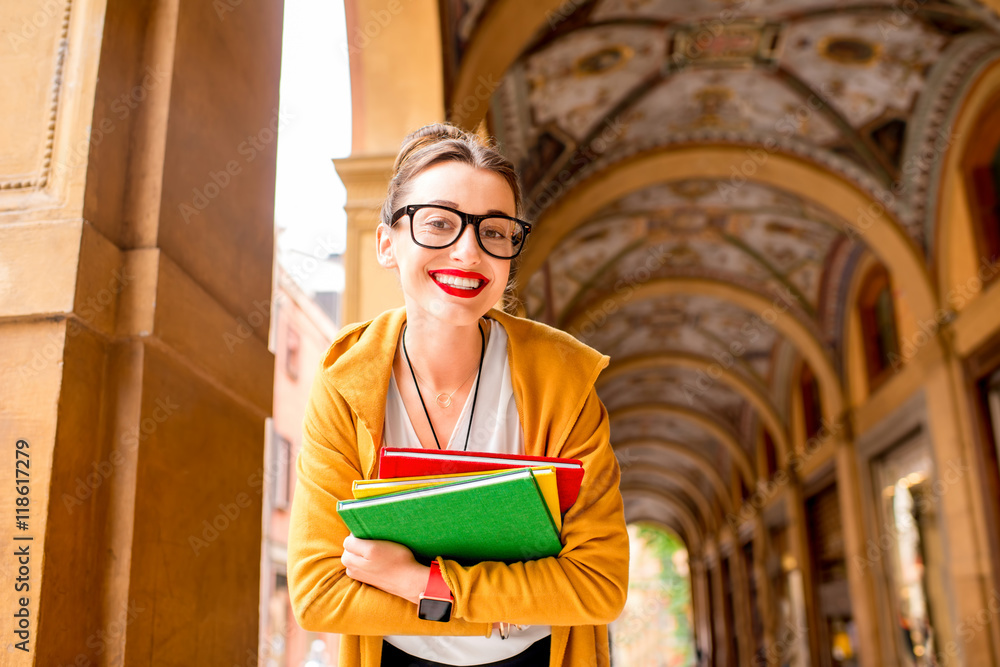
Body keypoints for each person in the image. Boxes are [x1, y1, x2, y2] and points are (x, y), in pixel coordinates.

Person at [287, 123, 629, 667]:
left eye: (495, 232)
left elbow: (598, 585)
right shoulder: (343, 384)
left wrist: (420, 582)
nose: (468, 252)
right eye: (439, 223)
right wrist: (511, 595)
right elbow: (319, 593)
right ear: (386, 244)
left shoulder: (565, 381)